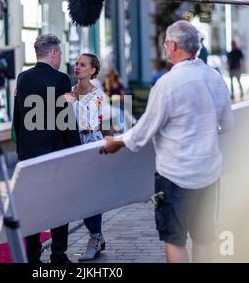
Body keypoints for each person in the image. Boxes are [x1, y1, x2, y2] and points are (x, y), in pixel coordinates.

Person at [100, 20, 234, 263]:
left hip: (176, 177)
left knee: (175, 240)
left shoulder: (168, 83)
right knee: (205, 239)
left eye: (165, 44)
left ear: (172, 46)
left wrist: (117, 141)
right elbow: (228, 124)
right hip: (209, 173)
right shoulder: (215, 78)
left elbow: (143, 131)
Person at [13, 34, 81, 264]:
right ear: (53, 53)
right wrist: (76, 148)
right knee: (58, 203)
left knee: (32, 204)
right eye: (60, 53)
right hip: (55, 151)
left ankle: (32, 256)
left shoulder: (22, 79)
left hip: (28, 153)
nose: (60, 57)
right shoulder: (60, 79)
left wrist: (21, 147)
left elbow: (17, 120)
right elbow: (66, 119)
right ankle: (58, 254)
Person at [63, 53, 107, 261]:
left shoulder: (97, 95)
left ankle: (95, 237)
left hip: (92, 145)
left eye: (83, 65)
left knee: (90, 194)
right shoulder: (69, 92)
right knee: (79, 195)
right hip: (73, 145)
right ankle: (96, 235)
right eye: (77, 64)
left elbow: (92, 122)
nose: (77, 67)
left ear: (92, 70)